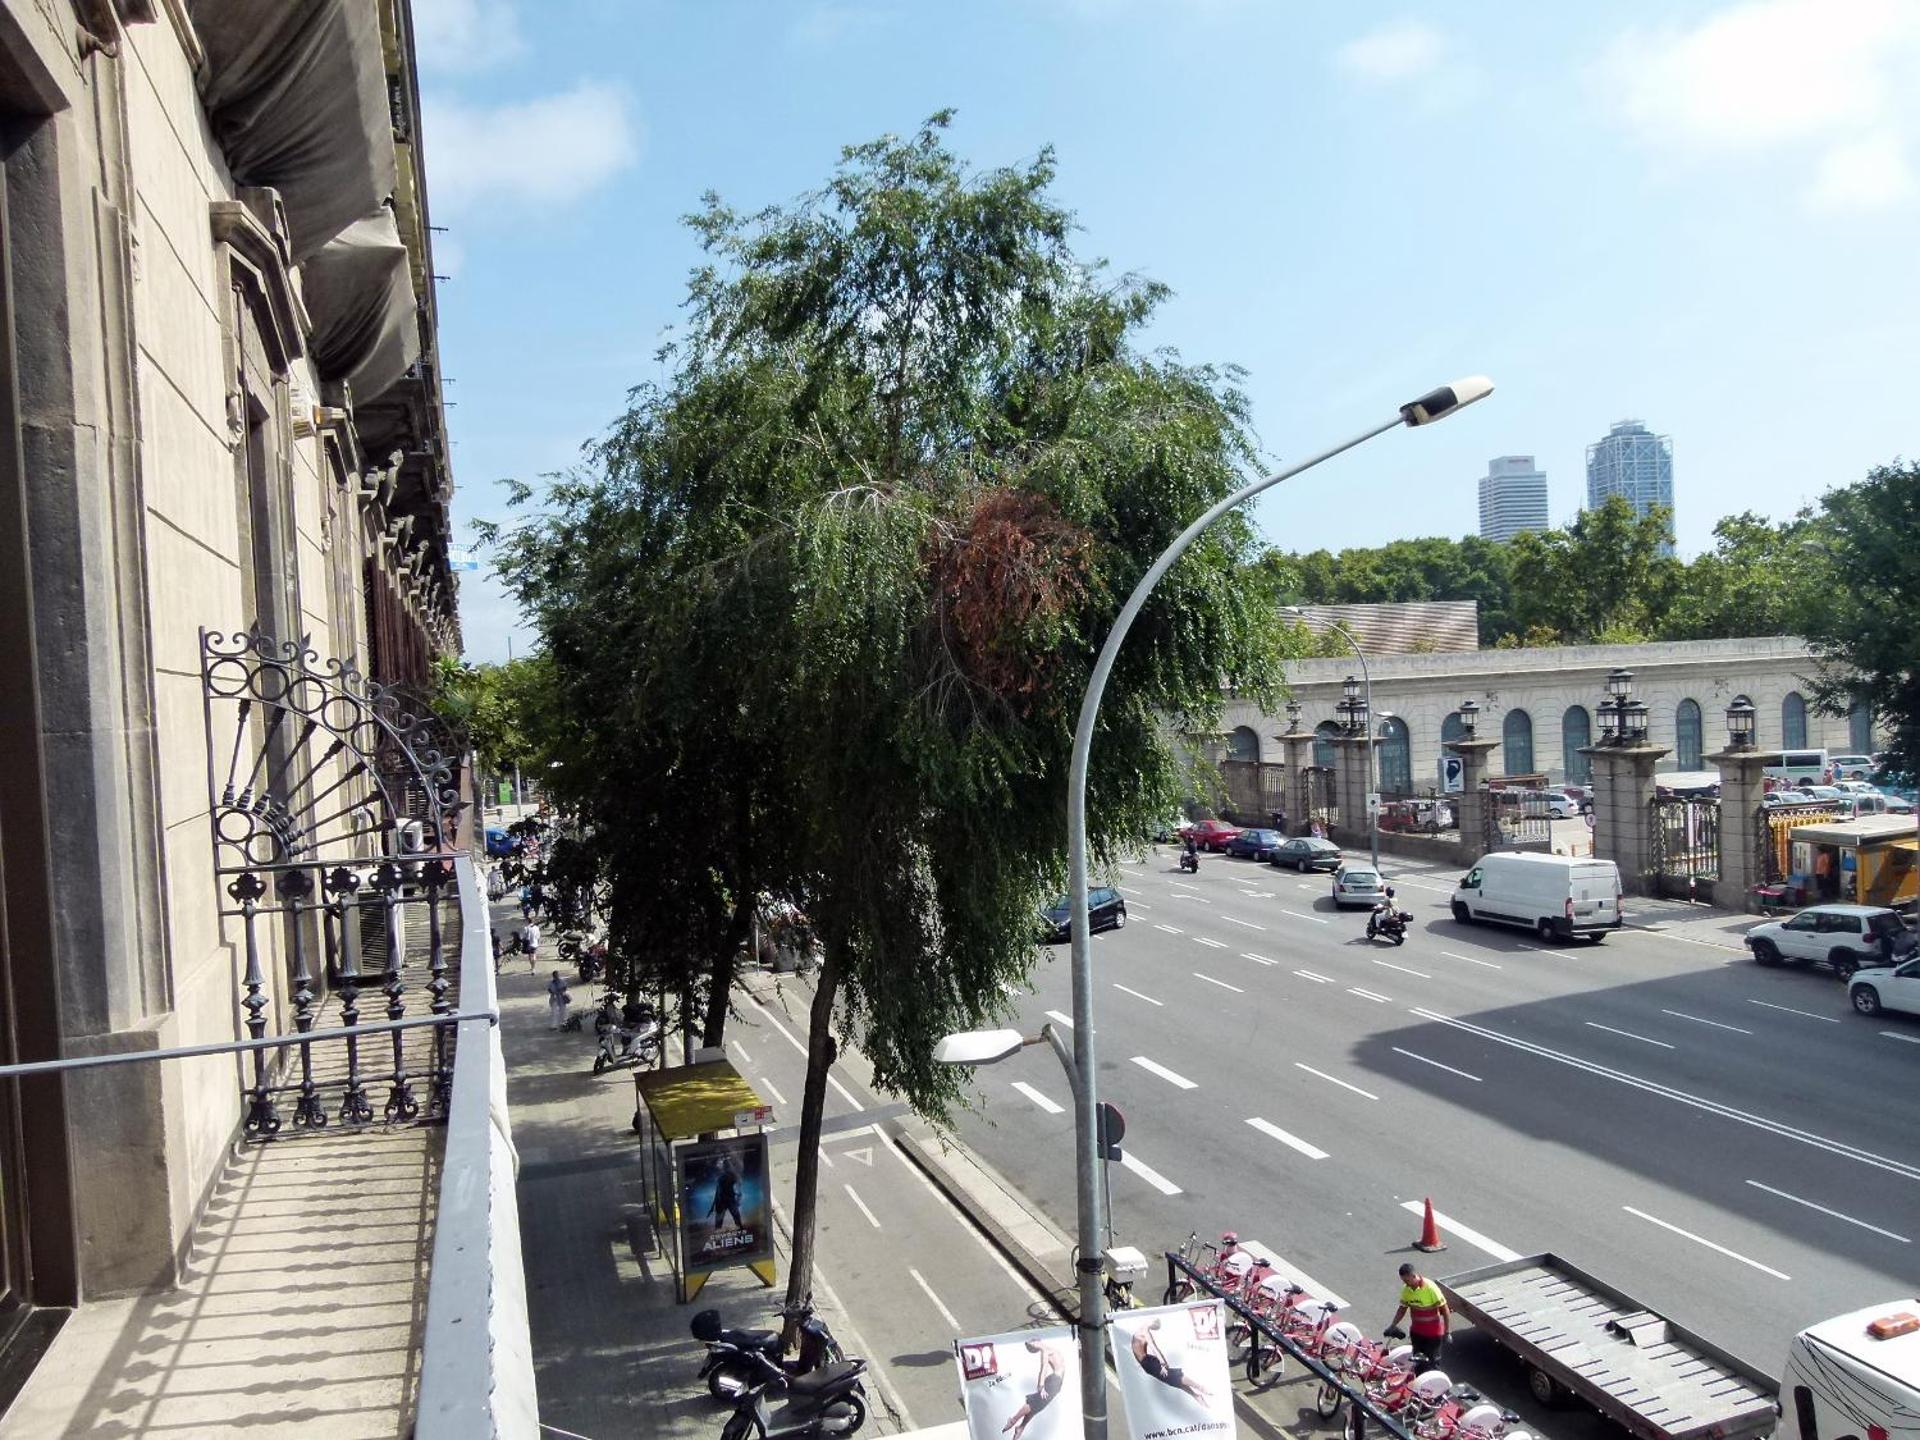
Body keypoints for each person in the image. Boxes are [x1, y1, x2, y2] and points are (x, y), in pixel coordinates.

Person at [1129, 1318, 1214, 1406]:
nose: (1152, 1329)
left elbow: (1149, 1349)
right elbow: (1152, 1348)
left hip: (1148, 1363)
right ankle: (1197, 1394)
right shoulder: (1144, 1332)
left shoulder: (1139, 1331)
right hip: (1146, 1364)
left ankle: (1200, 1389)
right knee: (1173, 1380)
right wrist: (1159, 1364)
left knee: (1173, 1377)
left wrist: (1162, 1364)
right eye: (1154, 1327)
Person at [1002, 1339, 1067, 1440]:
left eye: (1032, 1343)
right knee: (1034, 1404)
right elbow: (1043, 1368)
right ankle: (1014, 1420)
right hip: (1054, 1381)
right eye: (1031, 1345)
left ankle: (1021, 1427)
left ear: (1037, 1341)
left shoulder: (1049, 1350)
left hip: (1056, 1382)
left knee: (1037, 1405)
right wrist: (1041, 1386)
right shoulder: (1046, 1352)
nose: (1033, 1346)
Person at [1389, 1263, 1450, 1368]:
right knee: (1417, 1364)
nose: (1406, 1284)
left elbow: (1445, 1310)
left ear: (1414, 1276)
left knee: (1432, 1364)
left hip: (1433, 1334)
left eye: (1407, 1281)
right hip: (1416, 1333)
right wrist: (1393, 1325)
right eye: (1404, 1281)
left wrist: (1447, 1332)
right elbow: (1402, 1309)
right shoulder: (1406, 1290)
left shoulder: (1430, 1288)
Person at [708, 1155, 744, 1232]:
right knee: (718, 1225)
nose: (721, 1166)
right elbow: (718, 1192)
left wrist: (738, 1199)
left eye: (723, 1164)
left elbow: (739, 1187)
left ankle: (740, 1233)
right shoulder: (720, 1177)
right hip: (722, 1202)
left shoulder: (732, 1175)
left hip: (730, 1200)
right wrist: (712, 1207)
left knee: (738, 1221)